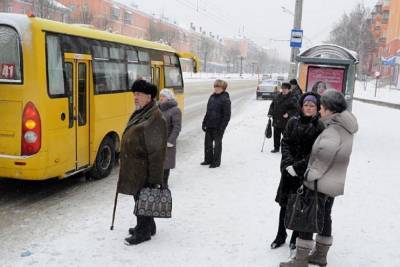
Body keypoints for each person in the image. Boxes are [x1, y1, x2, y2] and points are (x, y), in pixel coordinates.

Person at [280, 89, 358, 267]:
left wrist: (305, 174)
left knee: (308, 217)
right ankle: (320, 255)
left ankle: (300, 260)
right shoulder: (345, 127)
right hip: (334, 180)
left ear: (330, 109)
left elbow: (322, 159)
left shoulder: (333, 130)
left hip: (319, 183)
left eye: (322, 107)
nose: (320, 110)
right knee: (324, 216)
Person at [271, 92, 324, 250]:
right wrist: (287, 164)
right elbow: (285, 142)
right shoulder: (292, 122)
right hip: (288, 173)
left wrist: (297, 167)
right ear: (301, 106)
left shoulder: (319, 126)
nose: (308, 108)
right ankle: (281, 235)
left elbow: (317, 152)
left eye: (312, 106)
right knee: (284, 205)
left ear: (317, 108)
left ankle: (295, 236)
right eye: (306, 105)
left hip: (305, 174)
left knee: (300, 206)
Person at [117, 79, 167, 246]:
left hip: (145, 169)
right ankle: (148, 226)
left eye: (139, 94)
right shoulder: (142, 112)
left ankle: (143, 232)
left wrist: (154, 180)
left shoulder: (155, 117)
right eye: (134, 94)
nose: (135, 97)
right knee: (140, 198)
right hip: (136, 168)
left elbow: (157, 153)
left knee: (143, 199)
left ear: (149, 96)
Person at [201, 79, 231, 168]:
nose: (216, 89)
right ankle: (208, 159)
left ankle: (216, 162)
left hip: (218, 127)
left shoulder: (225, 99)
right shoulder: (212, 97)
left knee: (217, 145)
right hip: (210, 124)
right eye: (215, 87)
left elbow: (227, 116)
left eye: (218, 87)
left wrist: (222, 127)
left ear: (223, 88)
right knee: (207, 144)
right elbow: (208, 111)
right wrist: (204, 122)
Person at [159, 88, 182, 188]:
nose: (160, 98)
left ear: (168, 98)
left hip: (167, 140)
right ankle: (158, 181)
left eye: (163, 96)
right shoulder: (157, 108)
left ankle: (164, 183)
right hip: (156, 140)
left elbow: (177, 127)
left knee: (166, 164)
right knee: (157, 163)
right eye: (160, 96)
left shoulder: (175, 110)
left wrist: (171, 141)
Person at [268, 82, 298, 153]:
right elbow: (272, 105)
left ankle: (285, 149)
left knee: (286, 136)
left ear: (289, 89)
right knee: (276, 135)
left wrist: (288, 113)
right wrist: (270, 113)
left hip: (286, 121)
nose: (284, 90)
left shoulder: (292, 98)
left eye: (286, 89)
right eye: (283, 88)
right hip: (276, 119)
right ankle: (276, 148)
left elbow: (295, 109)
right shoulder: (277, 96)